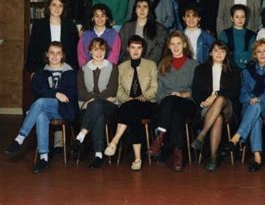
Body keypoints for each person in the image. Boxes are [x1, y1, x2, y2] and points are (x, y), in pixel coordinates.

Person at [5, 42, 79, 174]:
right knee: (40, 115)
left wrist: (50, 93)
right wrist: (55, 93)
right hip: (47, 108)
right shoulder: (41, 73)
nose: (55, 56)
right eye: (51, 53)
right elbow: (38, 90)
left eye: (58, 53)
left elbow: (70, 94)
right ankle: (44, 158)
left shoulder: (70, 72)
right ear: (47, 55)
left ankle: (20, 138)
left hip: (65, 109)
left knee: (39, 103)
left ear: (62, 55)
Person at [223, 39, 265, 172]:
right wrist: (251, 98)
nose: (262, 54)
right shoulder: (246, 71)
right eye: (259, 51)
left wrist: (259, 99)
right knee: (255, 115)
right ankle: (257, 157)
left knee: (256, 107)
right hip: (249, 106)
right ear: (255, 54)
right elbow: (242, 92)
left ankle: (236, 138)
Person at [147, 31, 199, 172]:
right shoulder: (163, 64)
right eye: (172, 44)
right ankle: (178, 153)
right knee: (176, 113)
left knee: (174, 104)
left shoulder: (194, 65)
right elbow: (159, 93)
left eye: (178, 43)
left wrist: (183, 94)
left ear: (184, 45)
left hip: (187, 103)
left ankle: (160, 137)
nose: (176, 47)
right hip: (167, 105)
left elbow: (198, 90)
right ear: (169, 46)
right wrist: (171, 97)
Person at [104, 35, 158, 171]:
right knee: (132, 113)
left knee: (131, 109)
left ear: (143, 49)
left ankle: (114, 141)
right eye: (133, 47)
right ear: (128, 49)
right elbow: (119, 89)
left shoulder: (151, 65)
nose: (135, 51)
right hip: (128, 104)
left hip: (147, 103)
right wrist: (125, 98)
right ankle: (137, 158)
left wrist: (144, 95)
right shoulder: (121, 67)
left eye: (139, 48)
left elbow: (155, 87)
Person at [190, 41, 241, 171]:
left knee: (220, 99)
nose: (219, 54)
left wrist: (216, 95)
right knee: (217, 118)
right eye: (216, 50)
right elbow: (195, 91)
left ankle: (202, 135)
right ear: (210, 53)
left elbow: (235, 92)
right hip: (207, 107)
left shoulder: (234, 70)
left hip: (228, 107)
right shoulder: (200, 69)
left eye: (222, 51)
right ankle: (213, 158)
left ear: (227, 54)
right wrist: (203, 101)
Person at [70, 38, 119, 169]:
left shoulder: (113, 67)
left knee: (97, 105)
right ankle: (98, 155)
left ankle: (80, 137)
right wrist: (97, 100)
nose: (99, 53)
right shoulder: (83, 70)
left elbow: (112, 90)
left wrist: (94, 99)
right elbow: (81, 92)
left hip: (110, 107)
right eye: (95, 49)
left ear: (106, 51)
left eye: (102, 49)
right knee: (98, 113)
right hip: (90, 108)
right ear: (90, 51)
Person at [26, 0, 79, 74]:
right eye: (54, 5)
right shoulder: (39, 25)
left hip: (65, 70)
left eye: (60, 6)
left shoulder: (70, 26)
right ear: (49, 7)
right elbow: (32, 49)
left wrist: (73, 70)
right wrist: (33, 71)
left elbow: (74, 51)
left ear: (63, 8)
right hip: (42, 69)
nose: (57, 8)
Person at [120, 0, 168, 64]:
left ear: (149, 10)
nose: (142, 10)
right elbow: (123, 51)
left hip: (149, 66)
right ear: (135, 10)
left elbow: (157, 54)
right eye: (139, 7)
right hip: (129, 65)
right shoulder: (126, 27)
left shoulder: (160, 29)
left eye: (145, 7)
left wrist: (144, 66)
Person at [218, 4, 256, 69]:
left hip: (246, 69)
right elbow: (222, 54)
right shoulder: (224, 34)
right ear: (232, 18)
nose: (240, 19)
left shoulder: (251, 35)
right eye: (237, 17)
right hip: (229, 69)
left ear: (246, 18)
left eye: (243, 17)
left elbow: (252, 55)